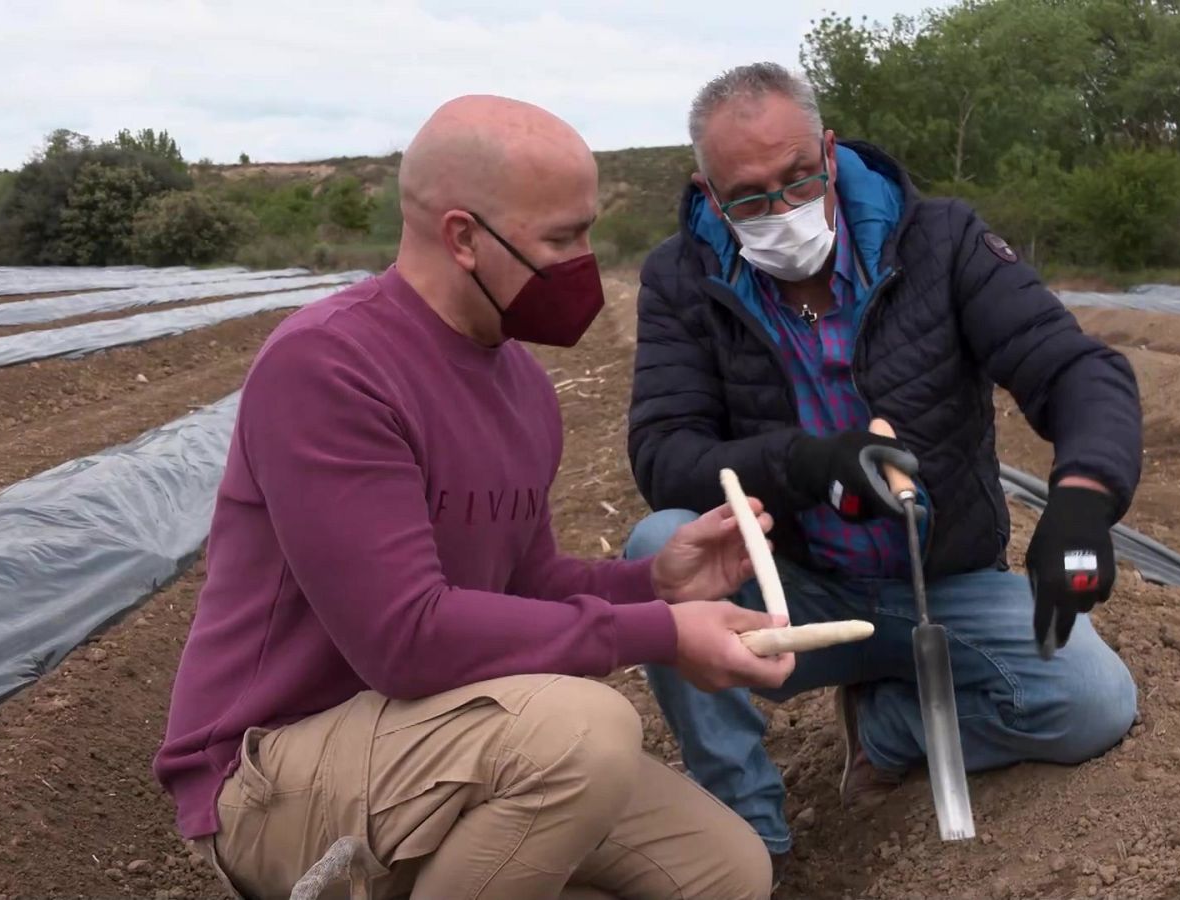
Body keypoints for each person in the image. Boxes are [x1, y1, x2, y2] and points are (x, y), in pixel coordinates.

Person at [154, 94, 798, 900]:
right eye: (561, 239)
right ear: (463, 238)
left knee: (726, 871)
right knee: (585, 733)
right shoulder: (329, 366)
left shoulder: (523, 385)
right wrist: (662, 633)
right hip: (272, 771)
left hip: (437, 736)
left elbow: (524, 583)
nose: (584, 262)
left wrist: (656, 583)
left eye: (587, 232)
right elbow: (406, 639)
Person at [622, 62, 1144, 869]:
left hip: (944, 586)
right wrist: (810, 465)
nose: (782, 211)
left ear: (830, 154)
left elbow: (1072, 366)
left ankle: (886, 729)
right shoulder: (683, 278)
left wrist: (1084, 497)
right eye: (749, 199)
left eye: (799, 179)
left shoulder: (939, 242)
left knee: (1092, 702)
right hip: (793, 592)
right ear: (709, 194)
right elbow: (665, 451)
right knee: (660, 546)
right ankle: (749, 836)